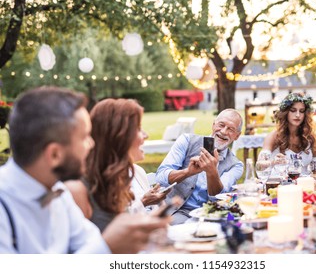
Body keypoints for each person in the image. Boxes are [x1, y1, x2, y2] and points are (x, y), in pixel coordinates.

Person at [0, 87, 169, 254]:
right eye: (85, 137)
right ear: (55, 154)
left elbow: (88, 242)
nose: (92, 144)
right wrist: (108, 247)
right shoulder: (4, 206)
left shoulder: (58, 193)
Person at [66, 98, 169, 231]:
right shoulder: (79, 189)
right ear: (118, 136)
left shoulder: (123, 176)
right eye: (138, 129)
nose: (146, 135)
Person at [155, 109, 244, 225]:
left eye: (231, 129)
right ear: (213, 124)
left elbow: (218, 199)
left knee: (238, 226)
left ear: (237, 136)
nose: (223, 131)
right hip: (176, 211)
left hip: (209, 216)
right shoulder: (187, 140)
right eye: (221, 125)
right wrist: (188, 172)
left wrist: (212, 172)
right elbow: (161, 176)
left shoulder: (236, 165)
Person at [258, 92, 316, 175]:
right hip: (280, 185)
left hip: (305, 185)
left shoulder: (311, 137)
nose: (298, 115)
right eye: (293, 110)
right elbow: (259, 165)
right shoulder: (274, 136)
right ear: (286, 112)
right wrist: (273, 161)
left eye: (302, 111)